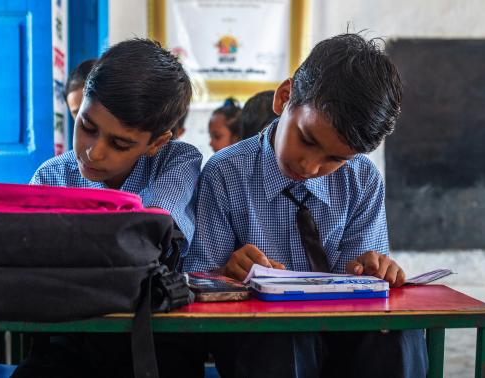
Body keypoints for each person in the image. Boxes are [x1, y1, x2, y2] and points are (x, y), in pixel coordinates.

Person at [183, 33, 427, 378]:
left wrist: (374, 270)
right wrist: (225, 274)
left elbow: (366, 293)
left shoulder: (362, 180)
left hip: (340, 335)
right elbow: (199, 284)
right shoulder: (225, 173)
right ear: (285, 98)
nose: (310, 167)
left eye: (335, 159)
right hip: (262, 340)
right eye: (307, 139)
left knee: (397, 334)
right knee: (283, 335)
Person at [18, 38, 204, 378]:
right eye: (87, 127)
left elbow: (150, 230)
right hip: (71, 336)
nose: (94, 152)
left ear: (157, 143)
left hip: (157, 336)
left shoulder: (177, 160)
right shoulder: (51, 175)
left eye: (119, 143)